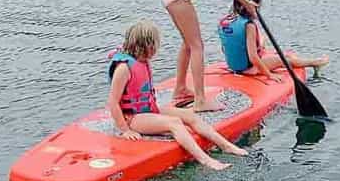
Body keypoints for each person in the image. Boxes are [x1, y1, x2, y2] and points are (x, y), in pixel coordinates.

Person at [106, 21, 248, 172]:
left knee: (189, 115)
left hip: (148, 110)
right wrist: (125, 129)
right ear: (146, 44)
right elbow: (113, 102)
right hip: (132, 118)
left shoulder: (141, 60)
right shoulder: (123, 68)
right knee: (174, 123)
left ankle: (226, 145)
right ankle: (206, 160)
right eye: (155, 44)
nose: (156, 48)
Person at [217, 0, 329, 81]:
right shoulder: (249, 26)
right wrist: (269, 75)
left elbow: (225, 48)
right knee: (286, 60)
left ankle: (269, 53)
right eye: (256, 7)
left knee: (262, 40)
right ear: (246, 6)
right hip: (250, 69)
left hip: (233, 66)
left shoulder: (224, 21)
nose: (257, 11)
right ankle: (316, 63)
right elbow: (253, 58)